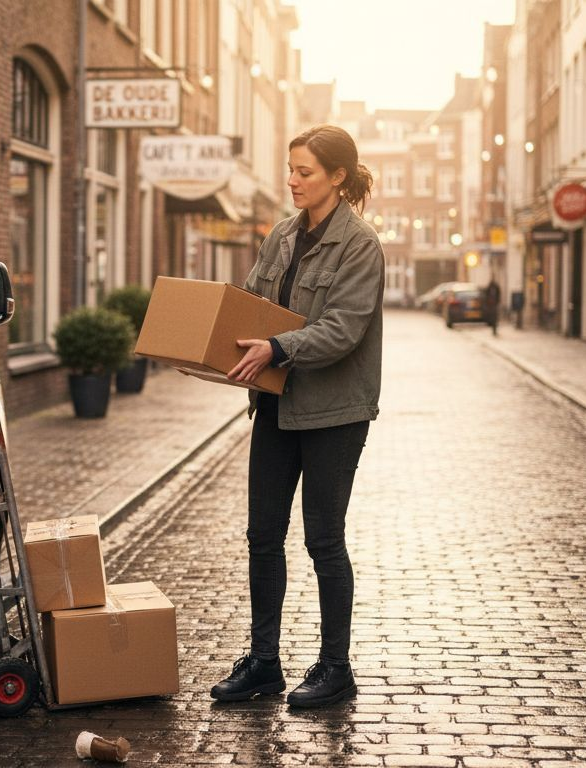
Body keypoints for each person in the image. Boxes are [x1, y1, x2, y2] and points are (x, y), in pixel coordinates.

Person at [212, 124, 384, 709]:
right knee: (263, 535)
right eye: (290, 169)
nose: (292, 180)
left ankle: (335, 667)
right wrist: (213, 340)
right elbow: (255, 303)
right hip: (276, 405)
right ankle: (264, 662)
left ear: (337, 177)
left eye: (304, 171)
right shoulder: (282, 234)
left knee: (323, 541)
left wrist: (277, 349)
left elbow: (343, 328)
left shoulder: (360, 244)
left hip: (335, 412)